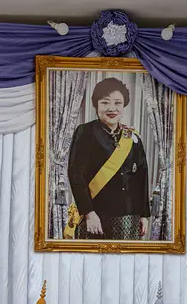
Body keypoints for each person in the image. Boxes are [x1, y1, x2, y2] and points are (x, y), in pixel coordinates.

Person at [64, 77, 150, 241]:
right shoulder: (86, 132)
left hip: (128, 217)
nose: (112, 108)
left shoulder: (132, 137)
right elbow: (76, 175)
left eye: (118, 103)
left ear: (124, 105)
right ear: (96, 105)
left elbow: (141, 178)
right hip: (96, 214)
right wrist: (88, 213)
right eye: (105, 103)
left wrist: (143, 215)